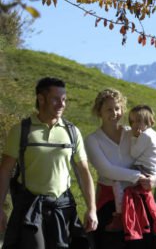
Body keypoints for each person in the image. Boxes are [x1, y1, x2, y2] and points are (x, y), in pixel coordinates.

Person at [0, 77, 97, 249]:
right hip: (30, 208)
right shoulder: (21, 130)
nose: (62, 104)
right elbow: (5, 171)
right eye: (55, 99)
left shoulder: (72, 132)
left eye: (64, 99)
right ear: (41, 98)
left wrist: (92, 209)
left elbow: (84, 172)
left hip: (62, 208)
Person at [85, 88, 156, 249]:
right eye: (109, 109)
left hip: (140, 201)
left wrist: (154, 179)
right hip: (110, 204)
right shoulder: (92, 140)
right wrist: (138, 176)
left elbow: (155, 160)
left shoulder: (133, 133)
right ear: (99, 111)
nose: (114, 113)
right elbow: (107, 170)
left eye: (117, 108)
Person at [107, 104, 156, 231]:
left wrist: (134, 137)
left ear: (148, 121)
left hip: (143, 169)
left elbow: (134, 153)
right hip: (154, 170)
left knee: (117, 182)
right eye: (132, 121)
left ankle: (119, 216)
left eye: (138, 121)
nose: (134, 125)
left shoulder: (144, 136)